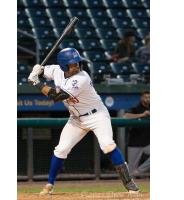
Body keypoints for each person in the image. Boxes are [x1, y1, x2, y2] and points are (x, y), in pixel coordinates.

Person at [28, 48, 139, 195]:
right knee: (61, 150)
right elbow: (44, 71)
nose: (76, 66)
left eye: (77, 63)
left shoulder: (82, 78)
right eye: (72, 64)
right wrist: (37, 70)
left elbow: (57, 96)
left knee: (107, 145)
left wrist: (36, 83)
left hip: (97, 116)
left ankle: (129, 183)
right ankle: (49, 185)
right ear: (63, 65)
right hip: (76, 119)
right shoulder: (56, 70)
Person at [123, 91, 150, 176]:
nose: (148, 99)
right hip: (134, 143)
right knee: (131, 172)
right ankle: (130, 187)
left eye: (149, 97)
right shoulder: (136, 108)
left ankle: (139, 171)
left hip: (147, 143)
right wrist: (142, 114)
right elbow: (125, 116)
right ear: (142, 98)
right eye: (146, 97)